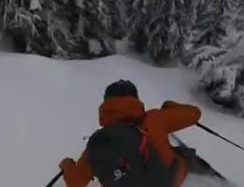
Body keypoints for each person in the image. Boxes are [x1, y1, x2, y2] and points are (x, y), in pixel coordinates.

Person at [59, 79, 202, 187]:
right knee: (182, 155)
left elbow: (76, 182)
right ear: (136, 100)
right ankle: (201, 172)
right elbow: (194, 114)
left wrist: (67, 164)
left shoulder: (99, 141)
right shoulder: (154, 118)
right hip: (168, 181)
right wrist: (169, 106)